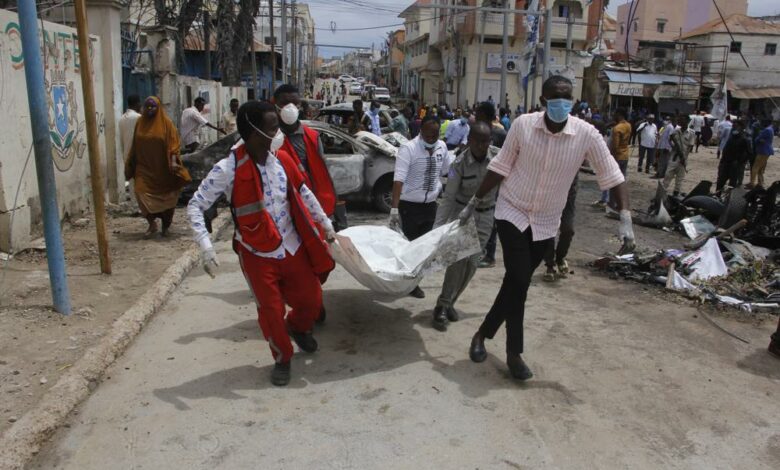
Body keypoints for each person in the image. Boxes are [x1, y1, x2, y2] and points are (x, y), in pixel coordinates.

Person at [461, 76, 634, 381]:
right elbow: (501, 166)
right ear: (543, 101)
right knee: (518, 280)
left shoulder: (586, 134)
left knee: (516, 284)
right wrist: (474, 200)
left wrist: (626, 218)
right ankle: (514, 355)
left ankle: (481, 334)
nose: (562, 104)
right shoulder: (524, 125)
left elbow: (613, 174)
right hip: (512, 210)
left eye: (567, 99)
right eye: (556, 98)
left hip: (545, 223)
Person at [187, 100, 336, 386]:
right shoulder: (227, 168)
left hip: (292, 245)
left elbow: (304, 192)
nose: (278, 133)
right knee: (270, 312)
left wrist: (326, 225)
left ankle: (299, 326)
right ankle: (283, 357)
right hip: (256, 252)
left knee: (312, 300)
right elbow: (195, 206)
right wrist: (205, 246)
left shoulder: (283, 159)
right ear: (254, 133)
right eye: (273, 128)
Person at [431, 122, 498, 331]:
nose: (481, 146)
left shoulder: (497, 159)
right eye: (477, 141)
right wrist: (437, 228)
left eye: (485, 141)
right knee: (457, 262)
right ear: (469, 141)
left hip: (486, 216)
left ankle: (451, 301)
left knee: (472, 264)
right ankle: (441, 306)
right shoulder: (458, 164)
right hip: (463, 215)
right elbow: (449, 198)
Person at [388, 115, 451, 299]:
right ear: (420, 132)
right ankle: (407, 283)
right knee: (409, 247)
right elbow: (398, 180)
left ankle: (414, 283)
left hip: (430, 206)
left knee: (424, 249)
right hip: (409, 207)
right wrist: (394, 209)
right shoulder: (408, 149)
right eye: (428, 136)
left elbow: (448, 170)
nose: (431, 139)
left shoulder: (442, 147)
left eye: (435, 136)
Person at [124, 96, 191, 237]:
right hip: (144, 169)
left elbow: (174, 146)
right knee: (140, 191)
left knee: (167, 199)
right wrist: (130, 163)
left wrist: (173, 162)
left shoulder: (167, 124)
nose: (149, 109)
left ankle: (166, 226)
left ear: (158, 108)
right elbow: (134, 145)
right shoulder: (140, 123)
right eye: (147, 106)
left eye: (153, 106)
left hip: (164, 170)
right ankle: (151, 224)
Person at [273, 84, 337, 221]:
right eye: (284, 103)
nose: (290, 108)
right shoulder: (267, 137)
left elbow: (321, 174)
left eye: (294, 103)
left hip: (306, 205)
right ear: (275, 105)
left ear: (300, 105)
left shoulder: (312, 137)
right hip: (278, 207)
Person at [543, 176, 577, 282]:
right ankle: (549, 265)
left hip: (568, 197)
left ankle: (560, 258)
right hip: (547, 197)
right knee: (548, 231)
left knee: (568, 229)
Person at [716, 120, 751, 191]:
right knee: (720, 182)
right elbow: (726, 150)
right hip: (726, 164)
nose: (734, 128)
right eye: (733, 126)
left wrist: (739, 162)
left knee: (732, 186)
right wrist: (722, 162)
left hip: (735, 166)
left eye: (736, 126)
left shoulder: (744, 139)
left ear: (741, 128)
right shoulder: (731, 137)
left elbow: (749, 153)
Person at [663, 115, 690, 196]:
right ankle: (662, 192)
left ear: (687, 121)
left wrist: (683, 157)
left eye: (683, 120)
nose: (681, 122)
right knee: (668, 175)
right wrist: (673, 147)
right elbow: (670, 139)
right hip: (674, 157)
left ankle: (676, 193)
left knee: (679, 179)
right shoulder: (676, 131)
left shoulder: (691, 133)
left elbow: (689, 148)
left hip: (683, 159)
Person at [750, 120, 775, 188]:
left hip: (762, 151)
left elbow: (757, 139)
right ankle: (760, 183)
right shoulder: (771, 129)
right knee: (761, 168)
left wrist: (758, 139)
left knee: (755, 167)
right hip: (767, 151)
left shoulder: (766, 130)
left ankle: (752, 183)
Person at [119, 95, 142, 165]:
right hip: (137, 157)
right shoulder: (139, 117)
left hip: (126, 156)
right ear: (137, 104)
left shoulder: (121, 118)